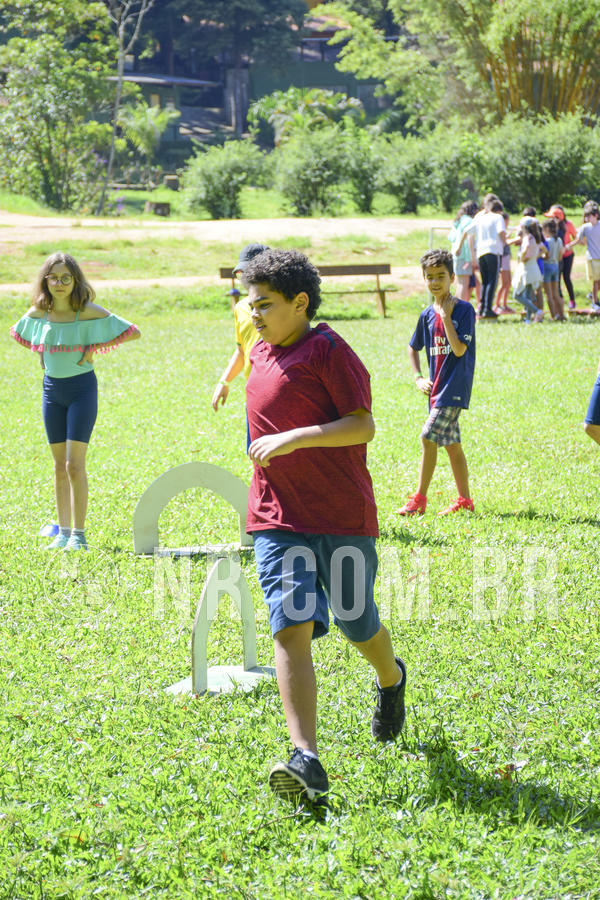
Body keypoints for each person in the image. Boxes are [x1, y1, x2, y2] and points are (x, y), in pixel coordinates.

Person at [242, 248, 406, 803]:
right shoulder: (257, 345)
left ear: (300, 303)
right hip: (276, 516)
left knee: (358, 622)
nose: (253, 311)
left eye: (264, 303)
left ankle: (390, 678)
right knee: (290, 624)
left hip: (340, 515)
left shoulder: (330, 350)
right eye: (250, 301)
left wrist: (294, 437)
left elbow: (363, 426)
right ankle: (306, 758)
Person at [10, 252, 140, 550]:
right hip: (51, 392)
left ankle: (78, 536)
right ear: (46, 280)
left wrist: (95, 347)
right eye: (54, 277)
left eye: (66, 278)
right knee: (58, 466)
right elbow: (20, 333)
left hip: (82, 390)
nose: (59, 283)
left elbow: (132, 331)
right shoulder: (38, 313)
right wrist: (44, 350)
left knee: (74, 465)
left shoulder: (88, 311)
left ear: (75, 281)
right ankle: (63, 532)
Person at [398, 249, 476, 517]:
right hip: (436, 390)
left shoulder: (465, 310)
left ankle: (419, 499)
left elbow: (458, 350)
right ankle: (465, 500)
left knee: (428, 437)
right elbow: (412, 347)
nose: (435, 282)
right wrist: (418, 376)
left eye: (440, 276)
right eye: (429, 277)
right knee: (452, 446)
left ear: (452, 277)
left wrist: (445, 316)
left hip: (454, 389)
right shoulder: (425, 315)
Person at [211, 243, 270, 415]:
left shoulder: (279, 307)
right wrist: (224, 381)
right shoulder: (241, 308)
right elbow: (242, 351)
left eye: (250, 273)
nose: (245, 279)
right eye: (240, 274)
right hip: (254, 394)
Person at [460, 195, 506, 319]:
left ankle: (482, 308)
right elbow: (501, 232)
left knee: (485, 281)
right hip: (493, 251)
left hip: (481, 251)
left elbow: (467, 231)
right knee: (493, 280)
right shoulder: (498, 217)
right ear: (499, 209)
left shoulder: (480, 217)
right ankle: (487, 309)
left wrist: (459, 247)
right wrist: (505, 241)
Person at [566, 201, 600, 310]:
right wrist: (569, 245)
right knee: (595, 281)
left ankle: (593, 297)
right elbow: (578, 240)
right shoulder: (585, 227)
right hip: (592, 258)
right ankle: (595, 302)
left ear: (596, 216)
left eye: (589, 216)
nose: (587, 219)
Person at [543, 205, 577, 309]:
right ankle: (560, 302)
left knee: (565, 278)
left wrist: (567, 247)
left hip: (564, 256)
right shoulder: (555, 231)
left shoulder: (561, 230)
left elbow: (576, 237)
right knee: (557, 282)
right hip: (558, 258)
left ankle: (570, 301)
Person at [512, 218, 545, 322]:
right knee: (528, 296)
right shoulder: (535, 238)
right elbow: (544, 250)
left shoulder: (527, 237)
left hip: (527, 269)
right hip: (533, 268)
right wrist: (536, 255)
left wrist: (522, 256)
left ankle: (537, 311)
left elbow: (526, 248)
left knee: (517, 295)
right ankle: (528, 320)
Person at [448, 201, 478, 302]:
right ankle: (460, 309)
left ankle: (455, 308)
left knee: (460, 283)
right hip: (465, 257)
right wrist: (472, 258)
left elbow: (451, 237)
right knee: (464, 284)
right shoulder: (470, 221)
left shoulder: (458, 221)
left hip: (456, 256)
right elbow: (469, 240)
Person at [541, 219, 564, 320]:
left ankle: (553, 315)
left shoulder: (547, 242)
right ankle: (561, 314)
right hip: (556, 266)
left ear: (546, 229)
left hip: (547, 267)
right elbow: (560, 257)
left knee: (548, 294)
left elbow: (546, 256)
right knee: (556, 293)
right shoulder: (559, 240)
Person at [495, 211, 514, 313]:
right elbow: (503, 243)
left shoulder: (504, 231)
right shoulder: (500, 231)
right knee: (503, 283)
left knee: (508, 283)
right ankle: (497, 304)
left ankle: (504, 304)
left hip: (506, 258)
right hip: (503, 259)